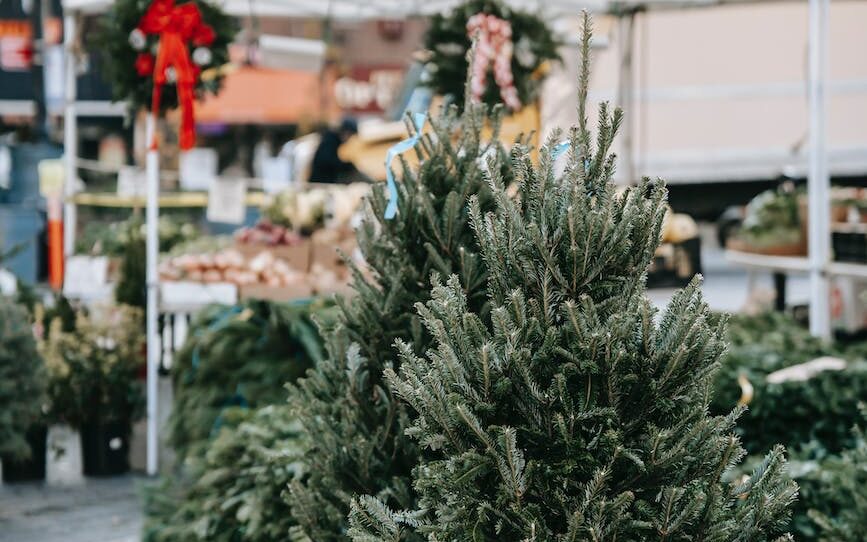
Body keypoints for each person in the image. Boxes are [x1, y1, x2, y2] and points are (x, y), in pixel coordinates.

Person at [308, 117, 364, 184]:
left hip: (326, 180)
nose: (349, 138)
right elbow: (328, 161)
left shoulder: (335, 141)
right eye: (349, 135)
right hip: (320, 181)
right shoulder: (330, 141)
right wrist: (347, 166)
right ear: (345, 132)